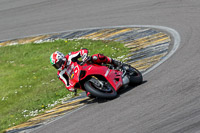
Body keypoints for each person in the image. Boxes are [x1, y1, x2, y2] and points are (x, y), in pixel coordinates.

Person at [50, 48, 122, 96]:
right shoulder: (60, 73)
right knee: (90, 95)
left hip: (86, 66)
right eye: (56, 65)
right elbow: (66, 83)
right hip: (79, 78)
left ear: (62, 58)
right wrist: (71, 88)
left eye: (59, 63)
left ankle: (115, 62)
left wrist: (84, 56)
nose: (58, 66)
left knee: (97, 57)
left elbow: (82, 51)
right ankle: (101, 89)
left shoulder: (70, 57)